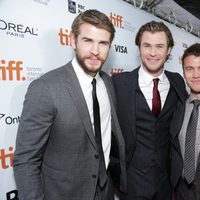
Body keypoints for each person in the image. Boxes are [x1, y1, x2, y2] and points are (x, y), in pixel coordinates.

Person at [13, 9, 126, 200]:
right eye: (88, 40)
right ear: (73, 41)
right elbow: (26, 160)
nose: (95, 51)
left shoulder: (108, 83)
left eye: (103, 43)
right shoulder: (45, 88)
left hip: (105, 191)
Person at [112, 20, 187, 200]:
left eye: (160, 46)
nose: (153, 53)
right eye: (147, 45)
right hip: (131, 181)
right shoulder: (119, 83)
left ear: (169, 50)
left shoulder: (177, 81)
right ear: (138, 49)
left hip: (166, 182)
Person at [172, 43, 200, 200]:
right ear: (183, 72)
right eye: (190, 69)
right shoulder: (178, 108)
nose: (196, 75)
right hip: (182, 191)